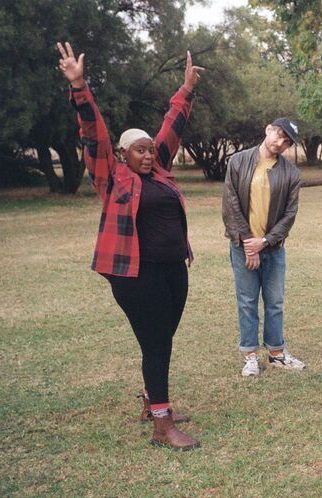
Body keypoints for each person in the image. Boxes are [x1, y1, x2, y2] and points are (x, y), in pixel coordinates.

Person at [57, 42, 203, 450]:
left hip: (172, 268)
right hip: (136, 274)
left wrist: (186, 89)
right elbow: (94, 133)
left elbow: (172, 126)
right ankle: (162, 424)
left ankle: (151, 401)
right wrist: (80, 88)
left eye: (150, 149)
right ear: (123, 154)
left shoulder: (160, 171)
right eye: (139, 150)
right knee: (156, 342)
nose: (148, 154)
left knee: (161, 339)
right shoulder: (112, 176)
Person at [222, 118, 305, 377]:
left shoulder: (291, 173)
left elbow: (290, 214)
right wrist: (249, 244)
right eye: (278, 135)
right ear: (268, 129)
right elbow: (231, 203)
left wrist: (265, 242)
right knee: (247, 302)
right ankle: (250, 356)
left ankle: (276, 353)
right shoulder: (238, 161)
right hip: (243, 246)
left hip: (273, 247)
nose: (280, 143)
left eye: (287, 141)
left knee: (275, 302)